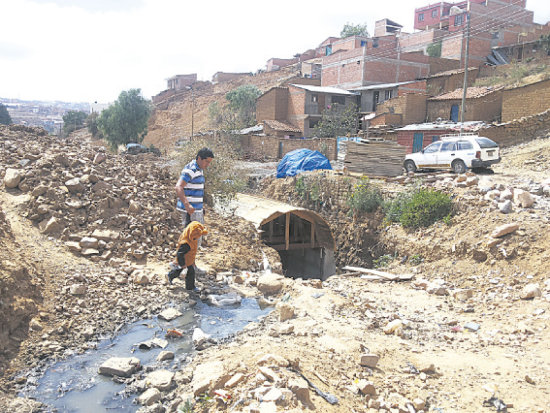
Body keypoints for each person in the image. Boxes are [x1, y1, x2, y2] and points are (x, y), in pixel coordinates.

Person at [175, 148, 214, 238]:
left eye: (209, 162)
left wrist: (201, 206)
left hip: (196, 210)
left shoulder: (199, 169)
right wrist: (187, 205)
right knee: (189, 240)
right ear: (199, 158)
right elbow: (178, 187)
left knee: (195, 239)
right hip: (189, 212)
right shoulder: (191, 170)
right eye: (206, 161)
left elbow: (195, 190)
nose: (208, 165)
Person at [166, 221, 208, 290]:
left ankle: (171, 276)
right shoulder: (186, 243)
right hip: (185, 261)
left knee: (183, 271)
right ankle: (189, 287)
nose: (198, 238)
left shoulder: (192, 238)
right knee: (187, 272)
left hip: (189, 260)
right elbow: (179, 254)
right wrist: (182, 264)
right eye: (197, 237)